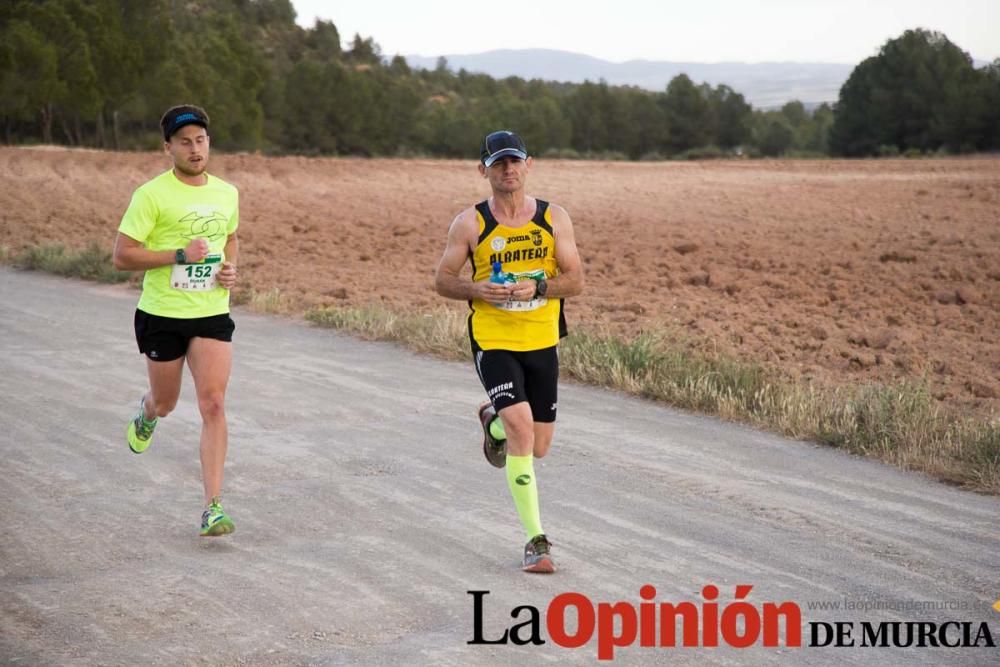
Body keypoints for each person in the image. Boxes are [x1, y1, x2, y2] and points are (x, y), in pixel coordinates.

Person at [434, 130, 584, 572]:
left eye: (514, 161)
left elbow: (575, 281)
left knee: (538, 447)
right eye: (498, 163)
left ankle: (492, 423)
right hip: (494, 339)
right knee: (522, 431)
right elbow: (442, 279)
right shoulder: (470, 223)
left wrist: (539, 285)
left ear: (528, 164)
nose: (508, 170)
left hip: (542, 339)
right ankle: (536, 541)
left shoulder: (555, 218)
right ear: (484, 170)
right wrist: (474, 288)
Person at [112, 104, 240, 537]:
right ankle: (147, 411)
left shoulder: (227, 193)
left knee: (214, 403)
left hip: (211, 312)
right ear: (168, 147)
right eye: (184, 141)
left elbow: (231, 238)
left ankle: (213, 507)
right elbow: (122, 255)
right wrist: (178, 255)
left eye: (200, 139)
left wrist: (229, 271)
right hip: (162, 315)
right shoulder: (151, 195)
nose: (194, 148)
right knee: (166, 402)